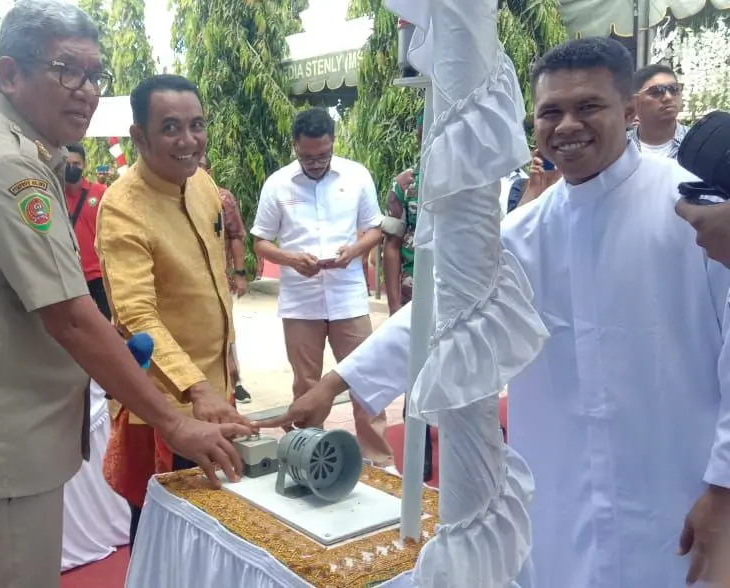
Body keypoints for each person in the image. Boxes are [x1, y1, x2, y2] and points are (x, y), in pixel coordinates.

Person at [260, 38, 730, 587]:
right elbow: (434, 315)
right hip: (560, 490)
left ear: (628, 111)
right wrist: (333, 383)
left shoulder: (697, 215)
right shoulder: (525, 231)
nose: (568, 125)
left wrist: (723, 488)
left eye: (589, 107)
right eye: (550, 112)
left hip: (675, 483)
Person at [0, 4, 250, 587]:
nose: (84, 91)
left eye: (94, 75)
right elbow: (73, 318)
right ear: (10, 74)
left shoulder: (21, 150)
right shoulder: (11, 167)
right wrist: (174, 421)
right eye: (66, 70)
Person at [98, 74, 253, 547]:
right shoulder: (122, 208)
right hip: (162, 408)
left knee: (215, 530)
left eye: (197, 124)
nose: (188, 140)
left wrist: (219, 381)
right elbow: (135, 315)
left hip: (215, 396)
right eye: (170, 128)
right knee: (161, 532)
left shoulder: (202, 183)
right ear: (139, 136)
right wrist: (196, 388)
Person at [251, 107, 393, 466]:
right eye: (306, 157)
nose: (315, 163)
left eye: (322, 155)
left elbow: (375, 230)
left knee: (365, 377)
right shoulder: (278, 184)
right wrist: (291, 259)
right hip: (301, 301)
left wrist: (356, 250)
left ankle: (377, 460)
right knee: (307, 385)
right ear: (295, 147)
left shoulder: (357, 176)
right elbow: (261, 242)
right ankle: (307, 458)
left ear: (333, 143)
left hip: (348, 297)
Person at [381, 117, 432, 480]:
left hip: (464, 296)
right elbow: (391, 245)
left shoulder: (477, 180)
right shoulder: (405, 184)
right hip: (416, 295)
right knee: (416, 376)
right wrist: (394, 304)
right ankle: (420, 448)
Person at [198, 153, 252, 403]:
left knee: (226, 330)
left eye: (201, 167)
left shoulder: (223, 198)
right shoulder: (173, 196)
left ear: (209, 171)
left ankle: (234, 382)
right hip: (189, 281)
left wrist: (239, 274)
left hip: (219, 279)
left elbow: (236, 236)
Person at [63, 142, 111, 319]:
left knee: (110, 326)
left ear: (84, 165)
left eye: (76, 164)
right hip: (71, 277)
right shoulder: (53, 195)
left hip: (99, 274)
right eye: (68, 164)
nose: (72, 168)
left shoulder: (101, 193)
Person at [629, 64, 688, 159]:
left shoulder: (699, 143)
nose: (668, 97)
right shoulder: (619, 149)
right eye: (656, 91)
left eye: (674, 89)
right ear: (635, 101)